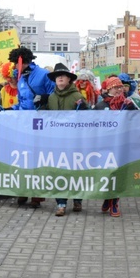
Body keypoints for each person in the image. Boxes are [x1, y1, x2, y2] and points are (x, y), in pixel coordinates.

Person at [8, 46, 56, 208]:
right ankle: (23, 190)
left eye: (16, 63)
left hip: (40, 122)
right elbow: (23, 102)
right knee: (23, 157)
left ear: (22, 61)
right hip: (24, 123)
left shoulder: (43, 74)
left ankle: (37, 195)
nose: (14, 66)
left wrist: (45, 98)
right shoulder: (21, 78)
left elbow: (55, 94)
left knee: (38, 159)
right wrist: (9, 110)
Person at [46, 63, 88, 216]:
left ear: (69, 79)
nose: (60, 78)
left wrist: (85, 108)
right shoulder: (51, 97)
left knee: (75, 171)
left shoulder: (77, 96)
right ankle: (61, 203)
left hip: (74, 141)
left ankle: (77, 199)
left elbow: (89, 117)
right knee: (59, 172)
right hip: (57, 142)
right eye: (57, 76)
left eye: (63, 75)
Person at [94, 76, 138, 217]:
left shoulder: (128, 103)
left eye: (121, 87)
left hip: (122, 144)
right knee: (108, 174)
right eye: (116, 87)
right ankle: (108, 197)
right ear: (108, 89)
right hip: (105, 145)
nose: (120, 89)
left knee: (118, 173)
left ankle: (115, 203)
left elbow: (138, 119)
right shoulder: (100, 106)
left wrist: (131, 108)